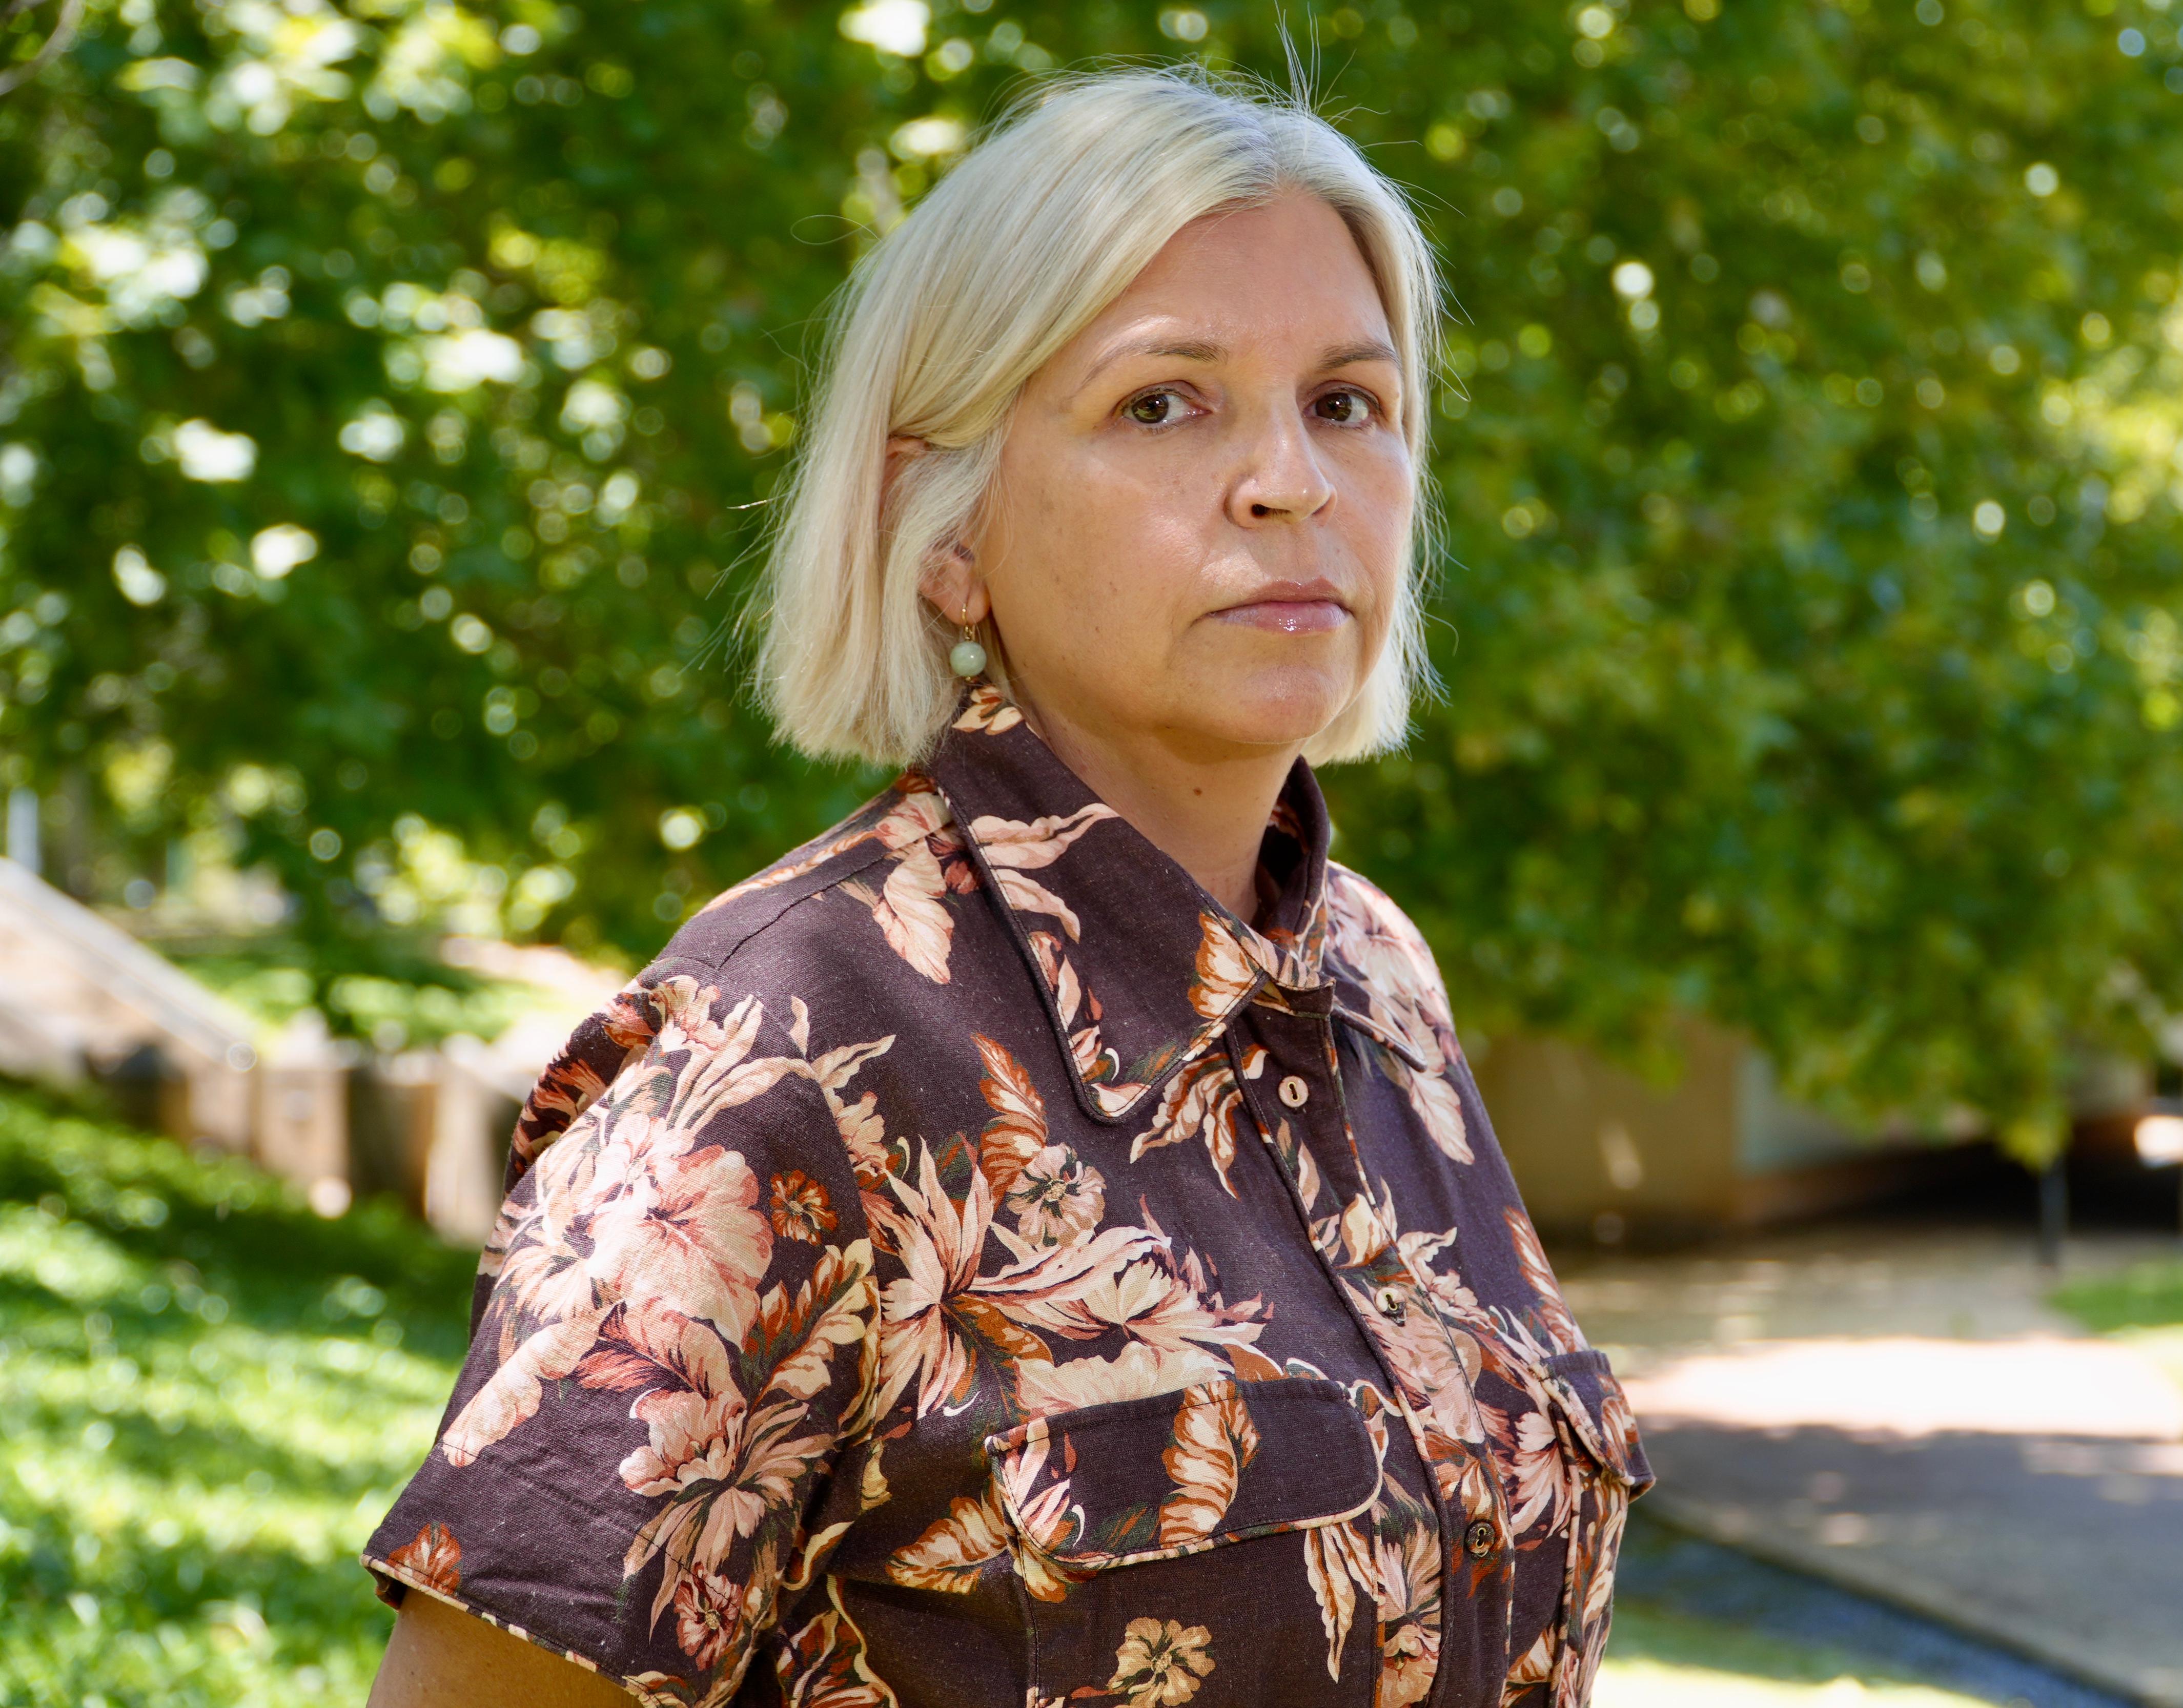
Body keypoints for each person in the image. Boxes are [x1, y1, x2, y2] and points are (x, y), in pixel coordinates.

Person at [363, 66, 1650, 1708]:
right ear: (945, 531)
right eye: (1163, 405)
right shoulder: (784, 1052)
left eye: (1347, 402)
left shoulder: (1377, 980)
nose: (1291, 480)